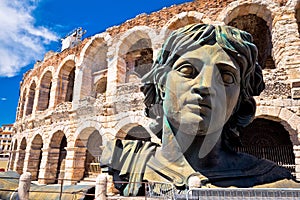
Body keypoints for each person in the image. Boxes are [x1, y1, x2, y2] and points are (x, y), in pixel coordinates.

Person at [100, 23, 299, 196]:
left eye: (226, 77)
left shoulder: (276, 183)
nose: (206, 85)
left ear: (240, 99)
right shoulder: (122, 157)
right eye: (187, 70)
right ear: (161, 84)